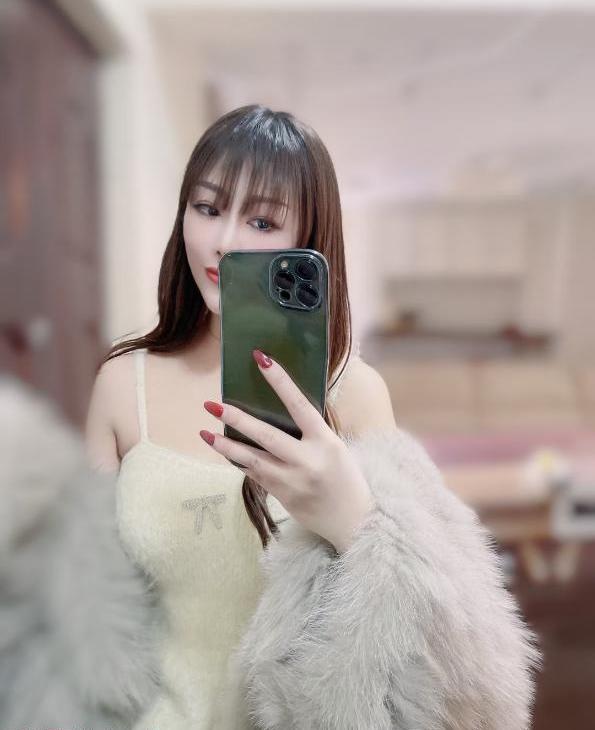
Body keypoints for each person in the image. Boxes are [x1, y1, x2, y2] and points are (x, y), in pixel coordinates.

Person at [76, 104, 540, 728]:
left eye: (262, 220)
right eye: (207, 208)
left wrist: (355, 523)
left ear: (308, 241)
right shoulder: (122, 383)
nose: (224, 241)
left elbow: (454, 662)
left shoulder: (355, 394)